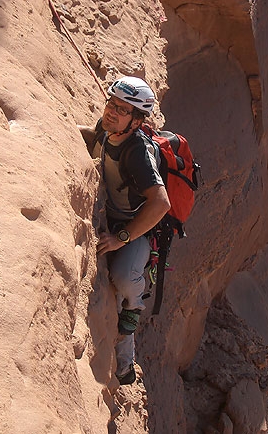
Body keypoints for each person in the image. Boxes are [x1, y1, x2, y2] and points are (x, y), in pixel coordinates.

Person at [79, 76, 170, 385]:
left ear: (136, 119)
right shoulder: (107, 129)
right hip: (113, 216)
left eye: (122, 109)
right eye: (111, 103)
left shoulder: (137, 152)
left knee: (122, 280)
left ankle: (132, 320)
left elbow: (160, 203)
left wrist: (121, 238)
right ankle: (123, 362)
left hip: (136, 229)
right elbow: (92, 139)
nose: (112, 112)